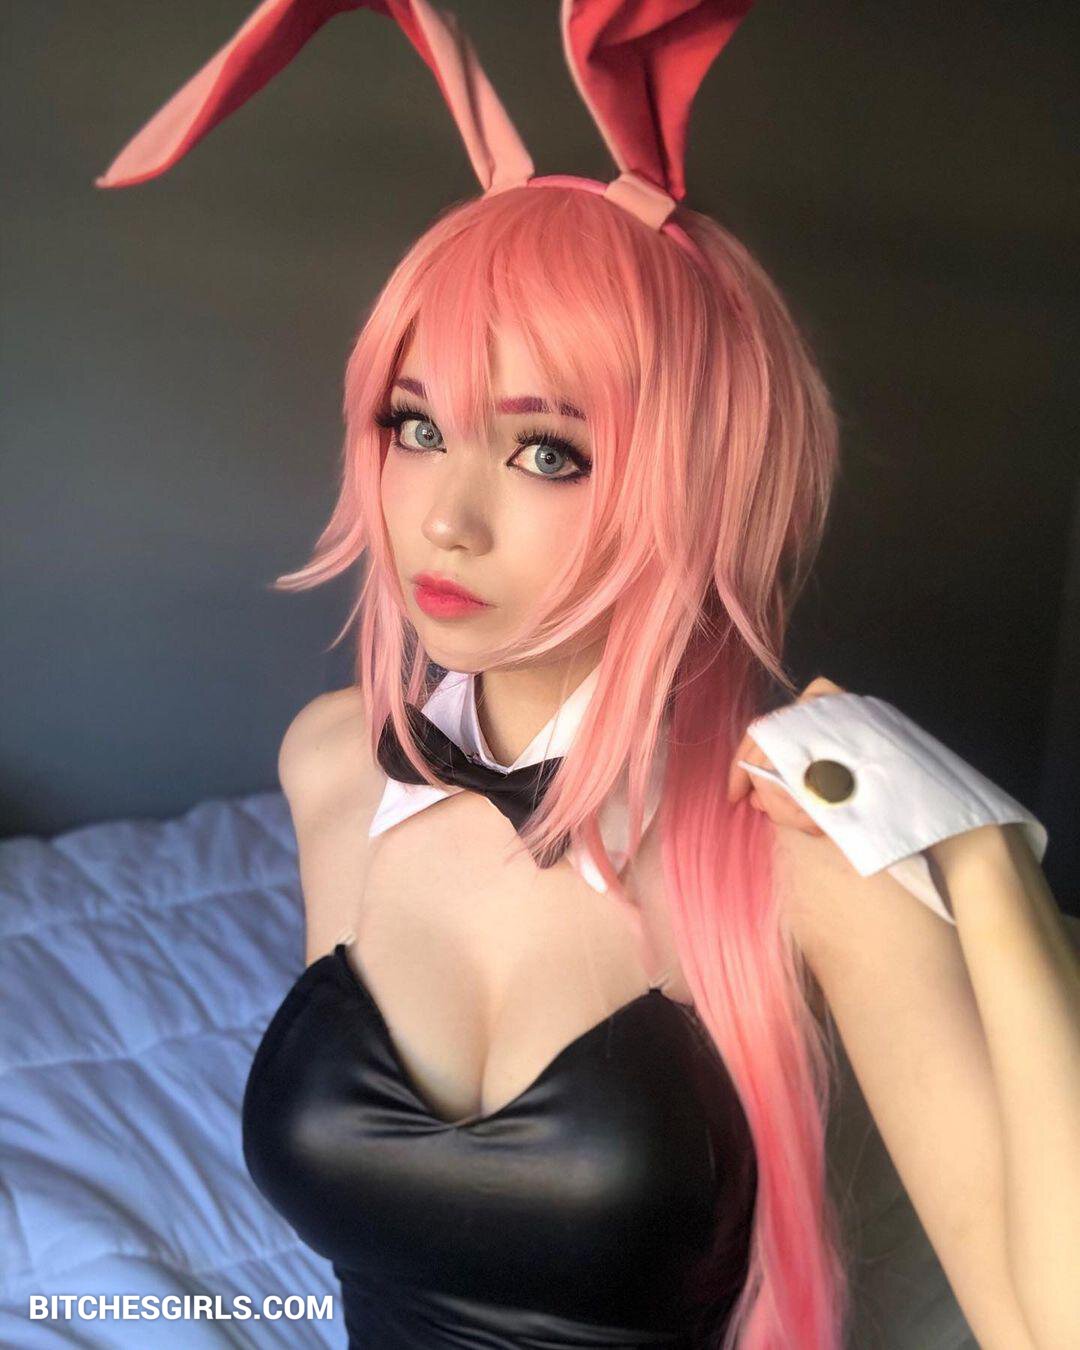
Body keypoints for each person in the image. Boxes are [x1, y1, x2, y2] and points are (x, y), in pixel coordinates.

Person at [94, 2, 1079, 1347]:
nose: (447, 519)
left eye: (546, 451)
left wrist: (985, 858)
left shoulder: (805, 856)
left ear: (693, 485)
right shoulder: (334, 761)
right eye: (416, 426)